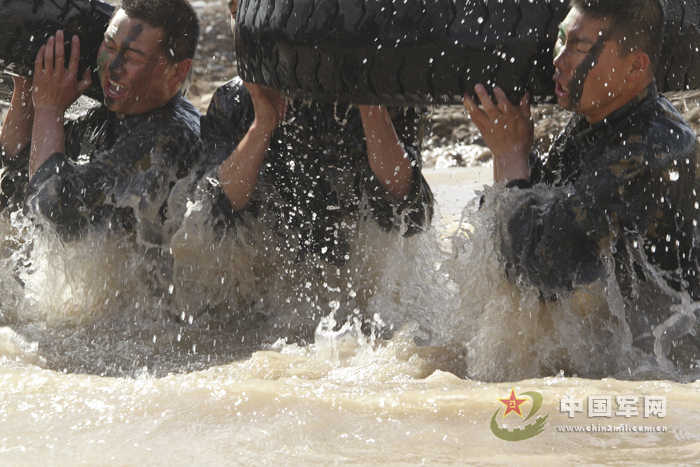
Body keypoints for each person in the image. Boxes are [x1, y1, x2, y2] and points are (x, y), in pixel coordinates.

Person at [463, 0, 699, 361]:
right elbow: (532, 215)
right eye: (561, 40)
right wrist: (511, 150)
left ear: (635, 66)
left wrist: (510, 156)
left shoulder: (650, 149)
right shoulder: (601, 123)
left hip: (670, 363)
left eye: (579, 47)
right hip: (633, 346)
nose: (558, 59)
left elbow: (540, 270)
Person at [179, 0, 433, 268]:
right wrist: (262, 125)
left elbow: (410, 213)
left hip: (361, 281)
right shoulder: (234, 101)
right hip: (272, 280)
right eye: (238, 13)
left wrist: (370, 104)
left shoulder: (391, 94)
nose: (251, 26)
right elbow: (211, 216)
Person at [0, 0, 201, 246]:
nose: (113, 68)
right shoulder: (106, 120)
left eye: (132, 57)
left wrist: (49, 109)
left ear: (177, 71)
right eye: (110, 45)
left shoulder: (170, 136)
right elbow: (17, 183)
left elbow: (52, 213)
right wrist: (27, 86)